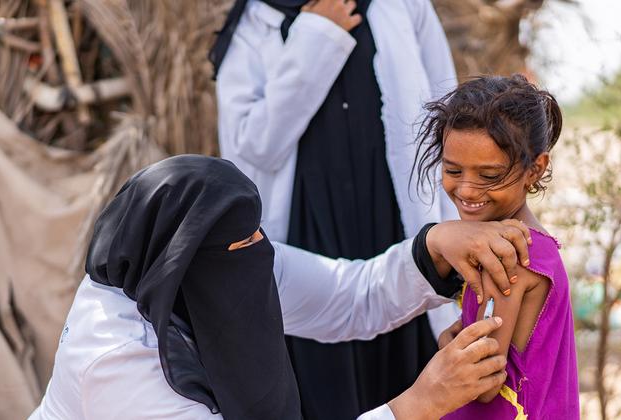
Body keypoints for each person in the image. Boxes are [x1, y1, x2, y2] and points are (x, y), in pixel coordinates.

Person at [29, 155, 533, 420]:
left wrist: (437, 246)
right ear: (177, 260)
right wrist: (418, 405)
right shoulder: (117, 361)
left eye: (256, 233)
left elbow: (347, 295)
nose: (257, 250)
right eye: (239, 242)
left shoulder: (226, 264)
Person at [211, 0, 460, 416]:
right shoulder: (256, 21)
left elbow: (448, 122)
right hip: (308, 242)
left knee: (417, 388)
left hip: (400, 231)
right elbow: (252, 150)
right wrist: (316, 35)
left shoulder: (402, 6)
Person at [414, 75, 580, 419]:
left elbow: (483, 380)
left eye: (489, 176)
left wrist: (448, 347)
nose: (468, 190)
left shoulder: (507, 253)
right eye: (453, 170)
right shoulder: (539, 245)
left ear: (535, 168)